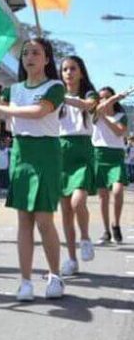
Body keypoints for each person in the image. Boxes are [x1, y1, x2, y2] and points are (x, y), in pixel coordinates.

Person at [0, 37, 65, 301]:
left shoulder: (55, 86)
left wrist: (6, 108)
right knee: (24, 221)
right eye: (26, 53)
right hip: (22, 153)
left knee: (44, 220)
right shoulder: (14, 88)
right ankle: (26, 281)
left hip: (46, 154)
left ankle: (55, 275)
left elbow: (39, 112)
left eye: (36, 53)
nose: (29, 57)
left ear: (47, 59)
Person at [58, 56, 98, 275]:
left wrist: (59, 96)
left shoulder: (88, 95)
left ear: (81, 72)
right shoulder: (55, 97)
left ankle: (85, 237)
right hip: (60, 152)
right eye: (64, 69)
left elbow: (89, 105)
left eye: (73, 68)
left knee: (77, 201)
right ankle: (71, 259)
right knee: (65, 210)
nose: (69, 73)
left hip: (81, 151)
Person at [92, 86, 129, 244]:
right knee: (103, 197)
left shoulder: (121, 115)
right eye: (101, 98)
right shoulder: (94, 114)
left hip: (116, 156)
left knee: (118, 190)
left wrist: (106, 117)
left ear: (113, 99)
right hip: (99, 154)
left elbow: (119, 132)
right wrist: (101, 111)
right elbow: (96, 112)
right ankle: (106, 231)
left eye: (107, 97)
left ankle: (116, 224)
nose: (104, 101)